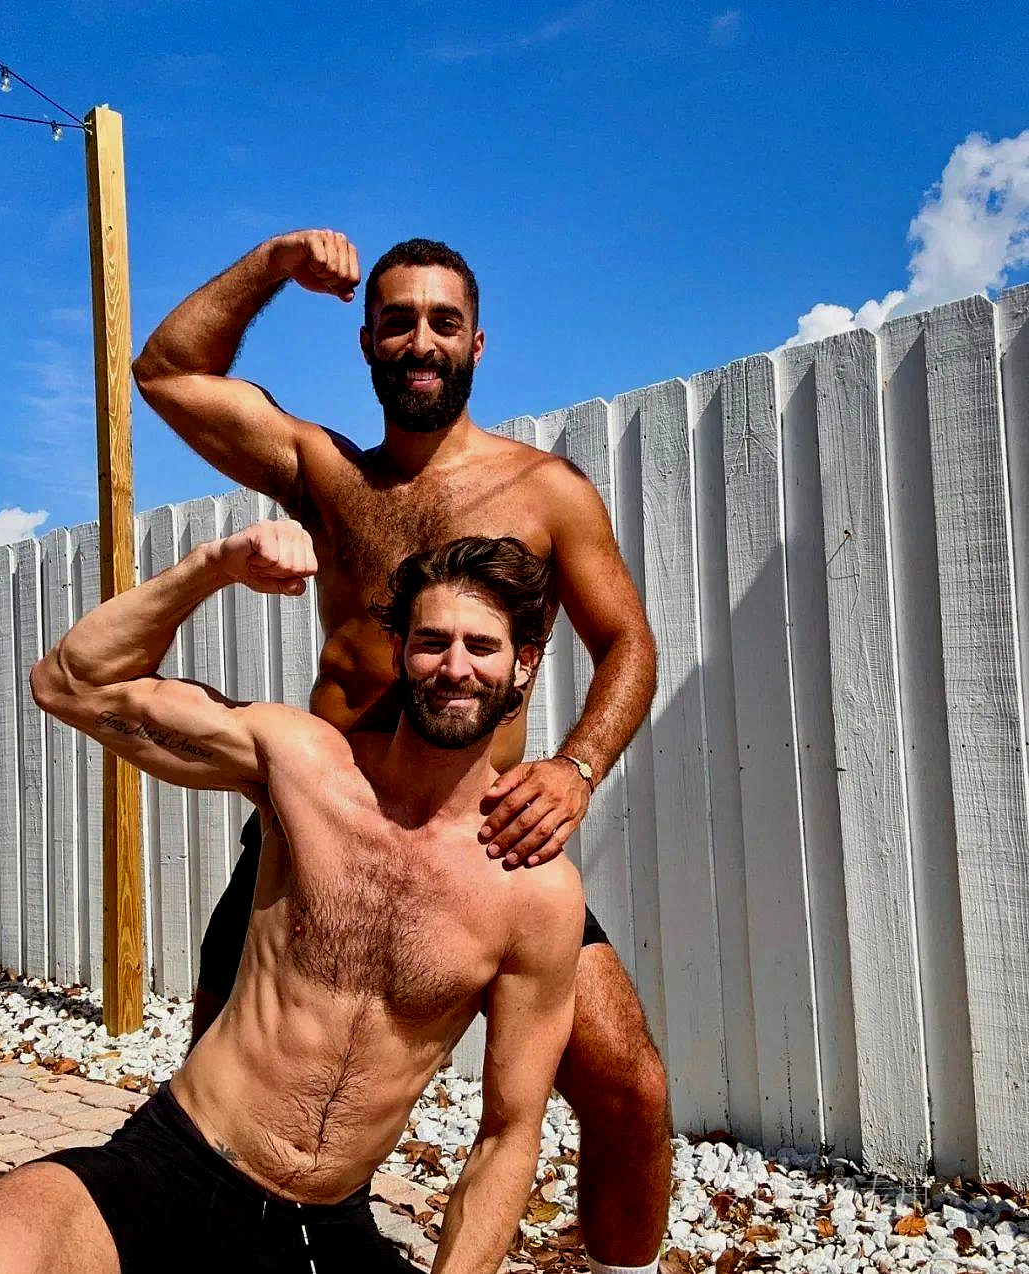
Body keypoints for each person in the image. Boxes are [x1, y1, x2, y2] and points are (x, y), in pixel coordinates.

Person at [132, 230, 670, 1273]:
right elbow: (168, 373)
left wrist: (576, 766)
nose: (421, 341)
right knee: (223, 1094)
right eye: (399, 321)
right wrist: (273, 266)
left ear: (477, 343)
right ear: (367, 341)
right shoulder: (326, 473)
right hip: (317, 833)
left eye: (443, 322)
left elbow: (629, 643)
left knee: (628, 1083)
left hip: (481, 840)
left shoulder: (546, 492)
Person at [0, 525, 585, 1274]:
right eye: (430, 641)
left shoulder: (536, 892)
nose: (454, 667)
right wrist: (212, 566)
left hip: (324, 1230)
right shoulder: (306, 766)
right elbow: (68, 683)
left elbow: (509, 1132)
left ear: (523, 665)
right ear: (397, 653)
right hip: (174, 1167)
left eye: (481, 646)